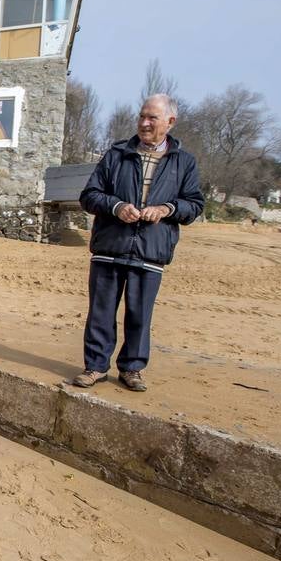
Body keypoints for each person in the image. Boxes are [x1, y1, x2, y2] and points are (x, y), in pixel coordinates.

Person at [72, 94, 204, 392]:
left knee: (140, 315)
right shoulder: (116, 154)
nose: (144, 123)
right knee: (101, 312)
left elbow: (193, 205)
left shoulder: (184, 162)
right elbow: (89, 196)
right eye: (142, 116)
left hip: (151, 250)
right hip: (110, 247)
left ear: (170, 122)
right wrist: (117, 207)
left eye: (152, 118)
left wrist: (165, 209)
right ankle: (95, 367)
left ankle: (132, 369)